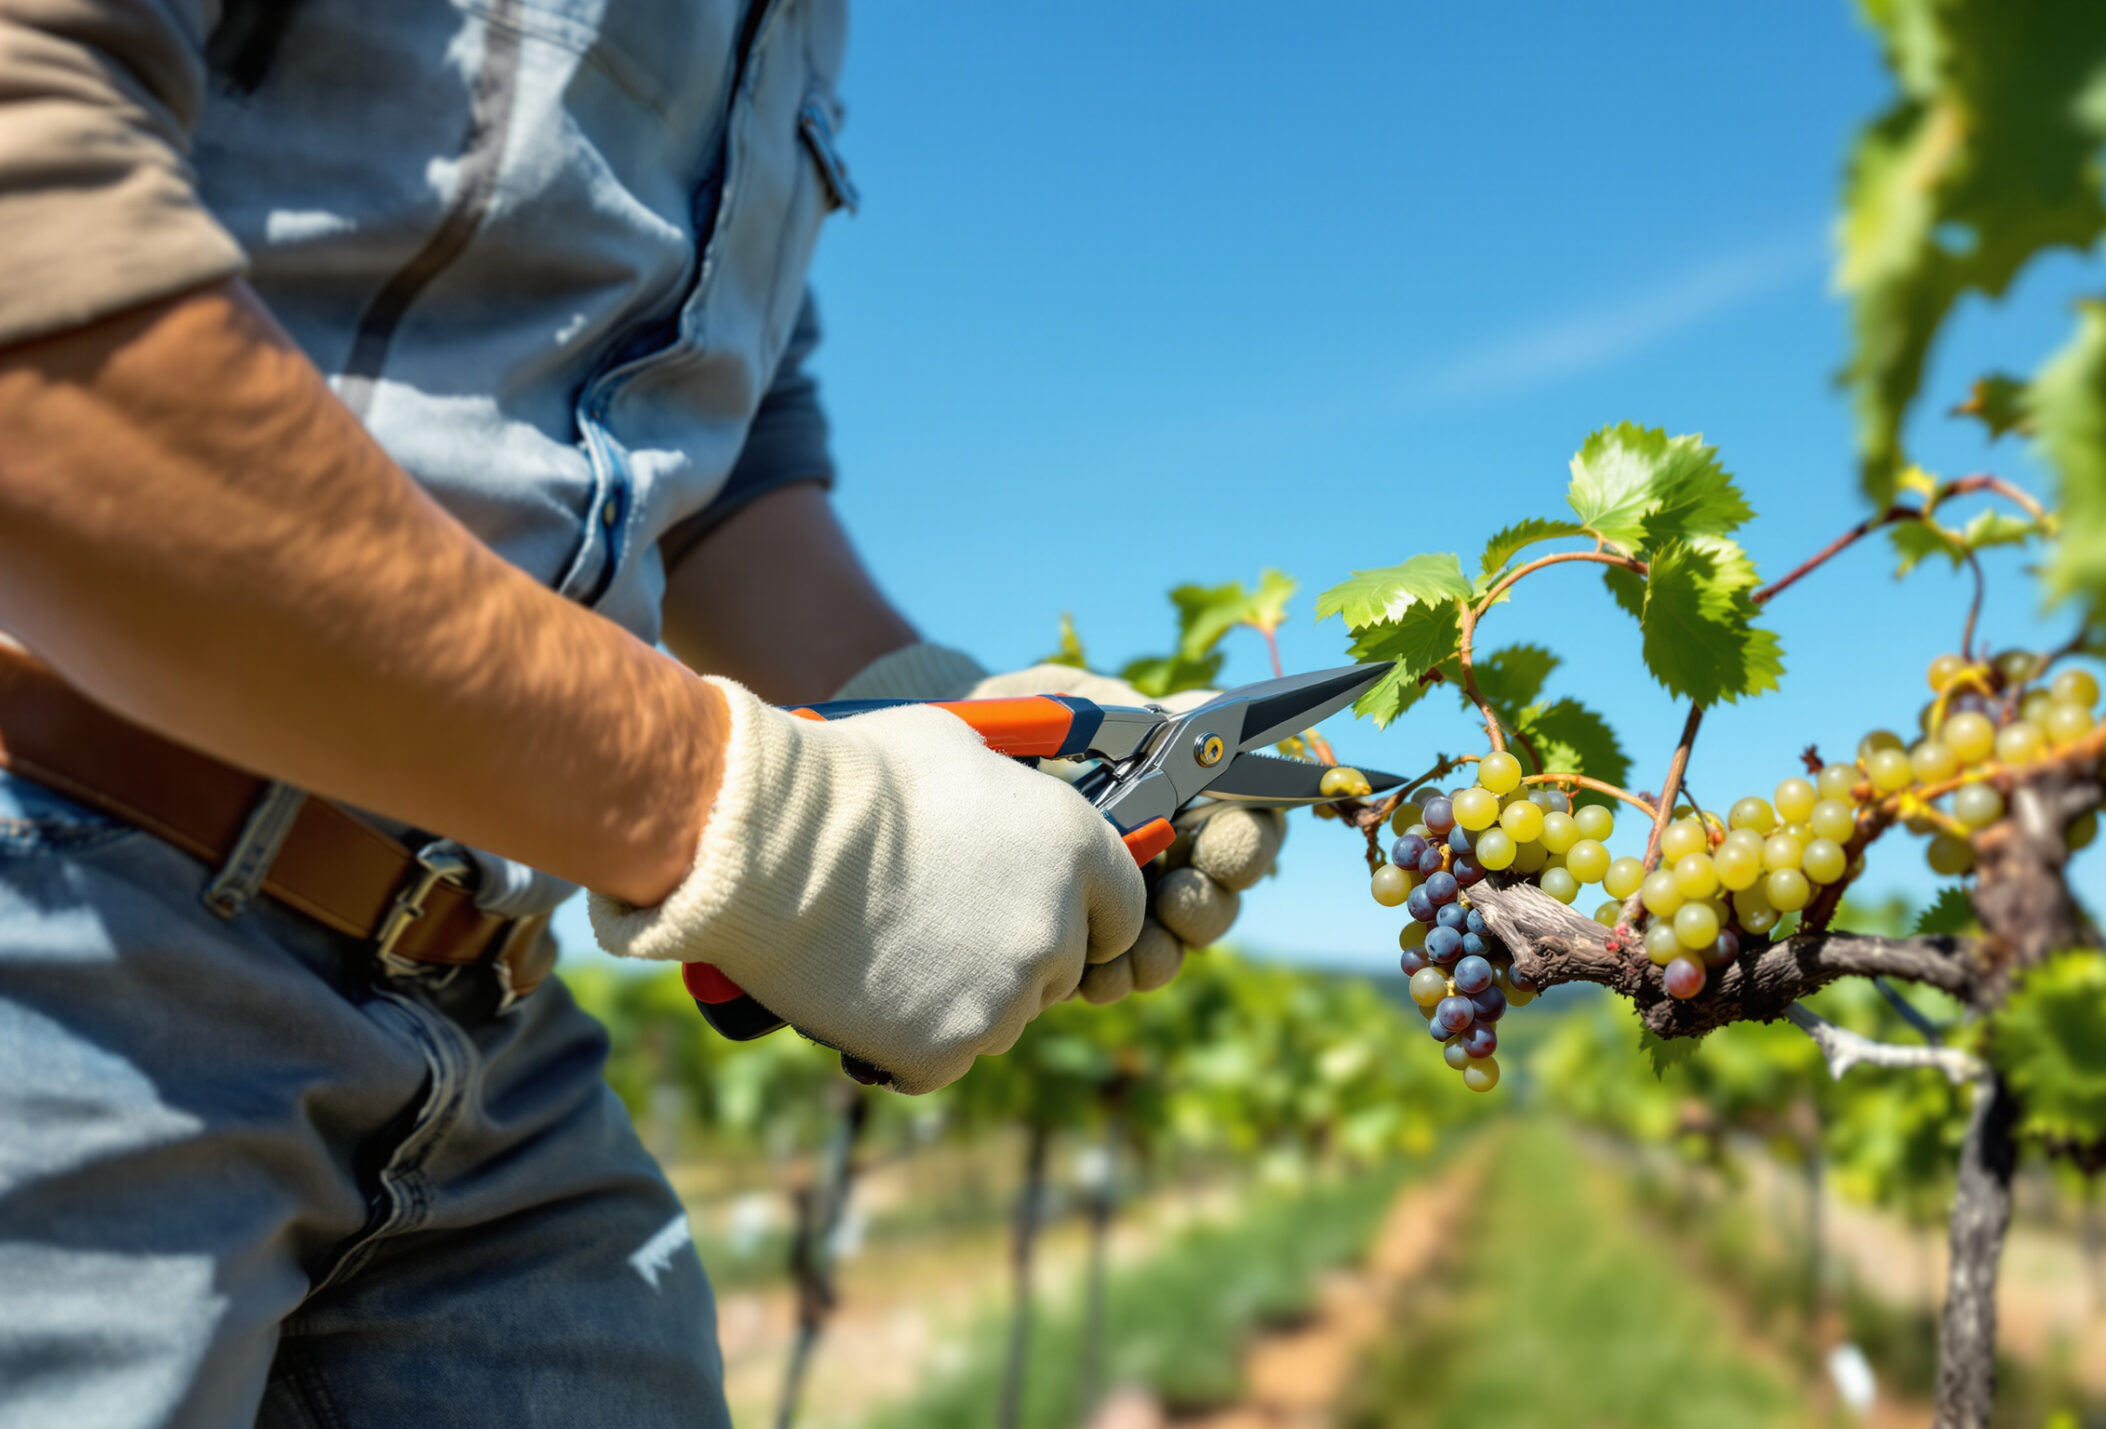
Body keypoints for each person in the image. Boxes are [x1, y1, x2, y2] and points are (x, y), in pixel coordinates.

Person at [0, 3, 1281, 1421]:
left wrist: (940, 712)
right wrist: (745, 817)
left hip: (483, 1002)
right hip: (60, 908)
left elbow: (710, 474)